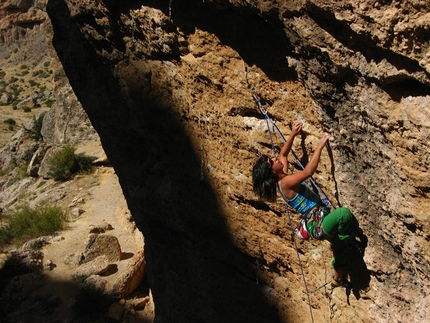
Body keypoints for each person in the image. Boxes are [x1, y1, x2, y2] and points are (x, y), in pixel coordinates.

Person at [252, 121, 364, 288]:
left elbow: (284, 154)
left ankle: (338, 278)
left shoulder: (283, 177)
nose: (275, 158)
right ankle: (348, 240)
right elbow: (308, 172)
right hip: (319, 224)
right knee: (343, 215)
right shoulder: (286, 183)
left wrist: (293, 134)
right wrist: (319, 146)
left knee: (340, 250)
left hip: (319, 221)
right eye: (271, 161)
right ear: (272, 171)